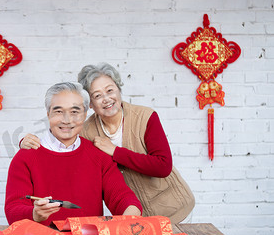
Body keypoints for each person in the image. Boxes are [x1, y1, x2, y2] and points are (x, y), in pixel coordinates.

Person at [20, 63, 195, 223]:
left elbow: (163, 167)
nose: (106, 99)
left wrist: (115, 151)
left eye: (110, 91)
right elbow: (62, 141)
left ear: (119, 90)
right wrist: (25, 143)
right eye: (97, 95)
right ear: (90, 104)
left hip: (173, 209)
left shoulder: (145, 117)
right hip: (129, 214)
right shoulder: (86, 130)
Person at [5, 82, 142, 226]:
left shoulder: (99, 156)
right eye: (58, 111)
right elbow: (12, 210)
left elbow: (121, 197)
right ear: (48, 114)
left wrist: (131, 214)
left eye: (74, 112)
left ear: (84, 115)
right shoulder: (25, 157)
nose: (67, 120)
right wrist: (34, 214)